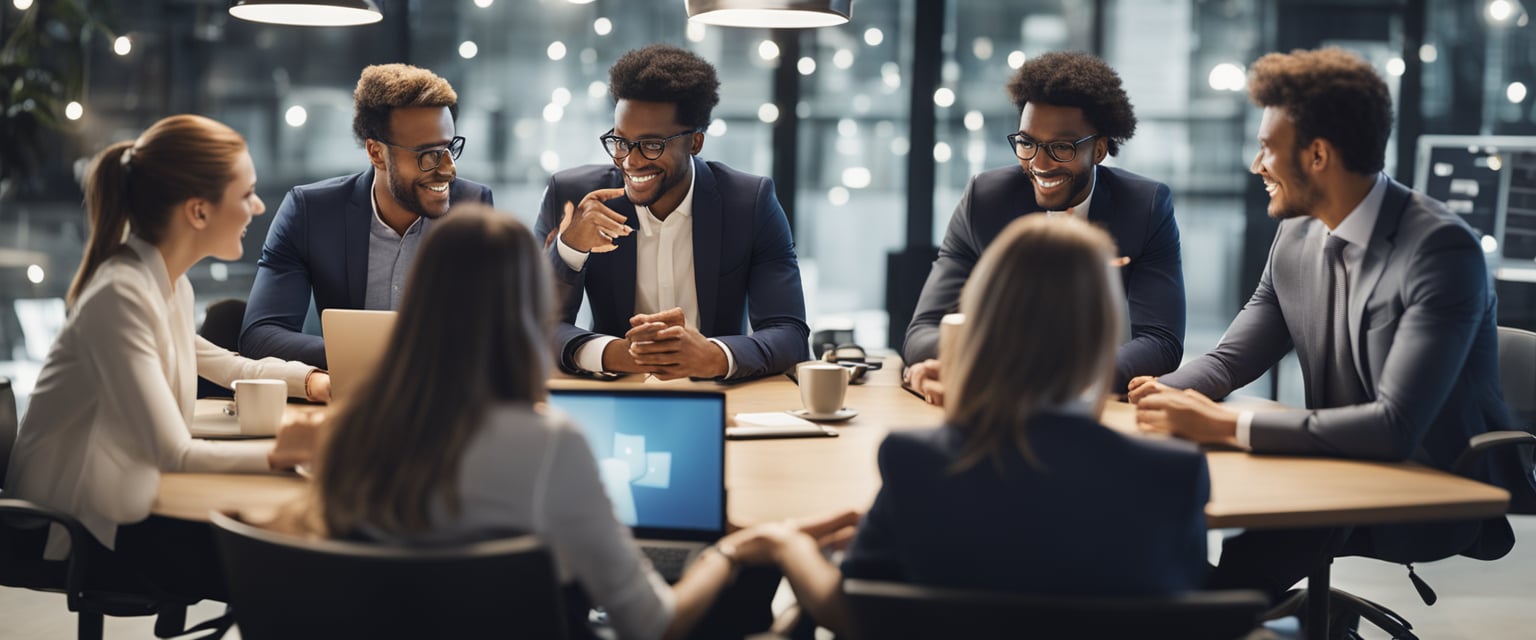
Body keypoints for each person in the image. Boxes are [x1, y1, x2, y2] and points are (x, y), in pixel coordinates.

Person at [296, 205, 854, 640]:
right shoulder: (547, 444)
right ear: (526, 311)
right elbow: (652, 625)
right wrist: (737, 551)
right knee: (749, 584)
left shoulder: (352, 428)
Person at [1129, 47, 1521, 601]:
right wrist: (1153, 396)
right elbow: (1230, 360)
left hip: (1427, 479)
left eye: (1267, 148)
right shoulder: (1299, 230)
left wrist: (1221, 426)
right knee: (1171, 522)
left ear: (1318, 155)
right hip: (1329, 462)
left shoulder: (1439, 250)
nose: (1256, 165)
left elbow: (1394, 428)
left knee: (1246, 560)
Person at [738, 215, 1209, 635]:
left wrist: (788, 544)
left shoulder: (917, 462)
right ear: (1104, 327)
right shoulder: (1175, 473)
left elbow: (853, 614)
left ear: (985, 318)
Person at [2, 115, 324, 601]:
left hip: (121, 499)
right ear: (198, 211)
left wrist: (317, 382)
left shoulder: (167, 284)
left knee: (294, 551)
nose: (258, 206)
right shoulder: (120, 295)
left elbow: (230, 366)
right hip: (75, 527)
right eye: (246, 194)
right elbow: (174, 454)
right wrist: (294, 452)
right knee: (289, 565)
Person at [904, 51, 1184, 403]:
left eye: (1061, 147)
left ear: (1098, 150)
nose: (1038, 163)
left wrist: (1056, 380)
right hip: (996, 415)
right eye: (1026, 143)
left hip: (1093, 413)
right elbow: (921, 334)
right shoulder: (985, 201)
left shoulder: (1144, 207)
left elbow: (1162, 342)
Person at [532, 44, 809, 381]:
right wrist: (613, 352)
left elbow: (789, 333)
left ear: (695, 142)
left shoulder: (749, 204)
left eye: (652, 145)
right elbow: (530, 325)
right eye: (620, 142)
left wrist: (715, 356)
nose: (631, 161)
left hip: (721, 398)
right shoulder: (574, 198)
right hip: (614, 396)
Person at [240, 63, 494, 367]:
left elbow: (495, 331)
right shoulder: (311, 212)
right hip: (348, 399)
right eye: (429, 154)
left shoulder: (471, 207)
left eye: (450, 148)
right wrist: (387, 357)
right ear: (376, 153)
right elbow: (261, 336)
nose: (449, 170)